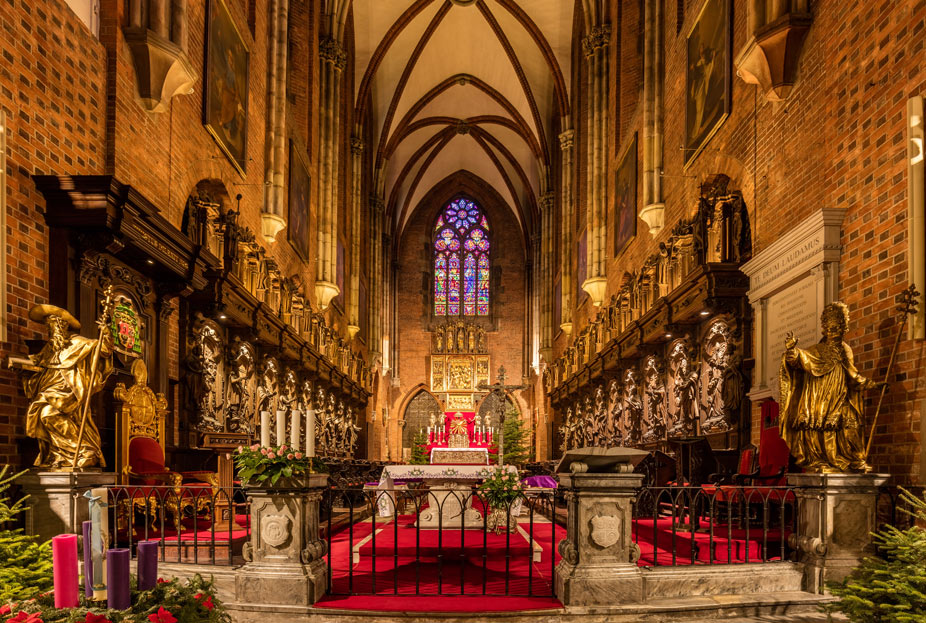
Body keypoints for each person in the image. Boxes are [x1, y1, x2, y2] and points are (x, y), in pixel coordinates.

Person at [779, 302, 883, 473]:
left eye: (838, 328)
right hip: (819, 400)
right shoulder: (817, 350)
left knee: (853, 425)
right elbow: (800, 359)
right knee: (820, 430)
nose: (834, 332)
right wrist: (792, 351)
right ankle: (822, 460)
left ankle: (855, 460)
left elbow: (853, 375)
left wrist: (873, 385)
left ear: (844, 328)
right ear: (825, 329)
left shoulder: (845, 349)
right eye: (831, 328)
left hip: (840, 397)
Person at [23, 304, 114, 469]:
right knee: (43, 416)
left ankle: (84, 451)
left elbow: (103, 350)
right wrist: (23, 368)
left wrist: (106, 335)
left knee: (47, 413)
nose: (50, 330)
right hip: (49, 390)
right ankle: (59, 455)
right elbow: (38, 364)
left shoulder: (77, 342)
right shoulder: (49, 348)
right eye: (48, 326)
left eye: (53, 325)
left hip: (70, 392)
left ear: (62, 325)